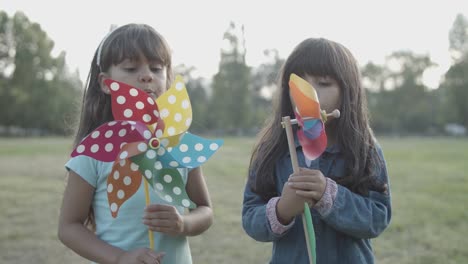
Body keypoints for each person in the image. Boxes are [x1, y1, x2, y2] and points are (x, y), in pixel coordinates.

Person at [58, 24, 213, 264]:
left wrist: (184, 224)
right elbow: (69, 227)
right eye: (131, 68)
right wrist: (120, 258)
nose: (147, 75)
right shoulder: (94, 152)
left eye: (156, 68)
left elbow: (205, 210)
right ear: (106, 82)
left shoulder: (177, 142)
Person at [242, 38, 391, 264]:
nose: (309, 93)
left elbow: (377, 217)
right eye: (299, 83)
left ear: (347, 91)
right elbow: (250, 216)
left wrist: (329, 195)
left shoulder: (365, 149)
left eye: (323, 83)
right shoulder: (273, 150)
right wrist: (282, 209)